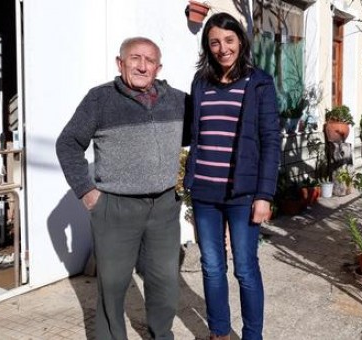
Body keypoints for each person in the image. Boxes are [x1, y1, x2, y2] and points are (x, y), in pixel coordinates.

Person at [56, 37, 186, 340]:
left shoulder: (178, 100)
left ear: (159, 66)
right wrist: (87, 192)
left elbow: (204, 134)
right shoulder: (99, 99)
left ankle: (162, 335)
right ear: (120, 63)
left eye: (149, 60)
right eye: (135, 58)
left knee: (165, 281)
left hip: (164, 207)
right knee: (113, 285)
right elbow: (68, 144)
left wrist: (187, 181)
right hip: (115, 207)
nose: (142, 66)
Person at [183, 12, 280, 340]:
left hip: (244, 195)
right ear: (207, 47)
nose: (222, 48)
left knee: (245, 269)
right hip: (204, 194)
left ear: (240, 40)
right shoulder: (200, 83)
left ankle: (253, 335)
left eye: (228, 40)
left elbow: (270, 142)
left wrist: (264, 195)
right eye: (214, 42)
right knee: (211, 267)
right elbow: (191, 131)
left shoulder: (260, 82)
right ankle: (219, 332)